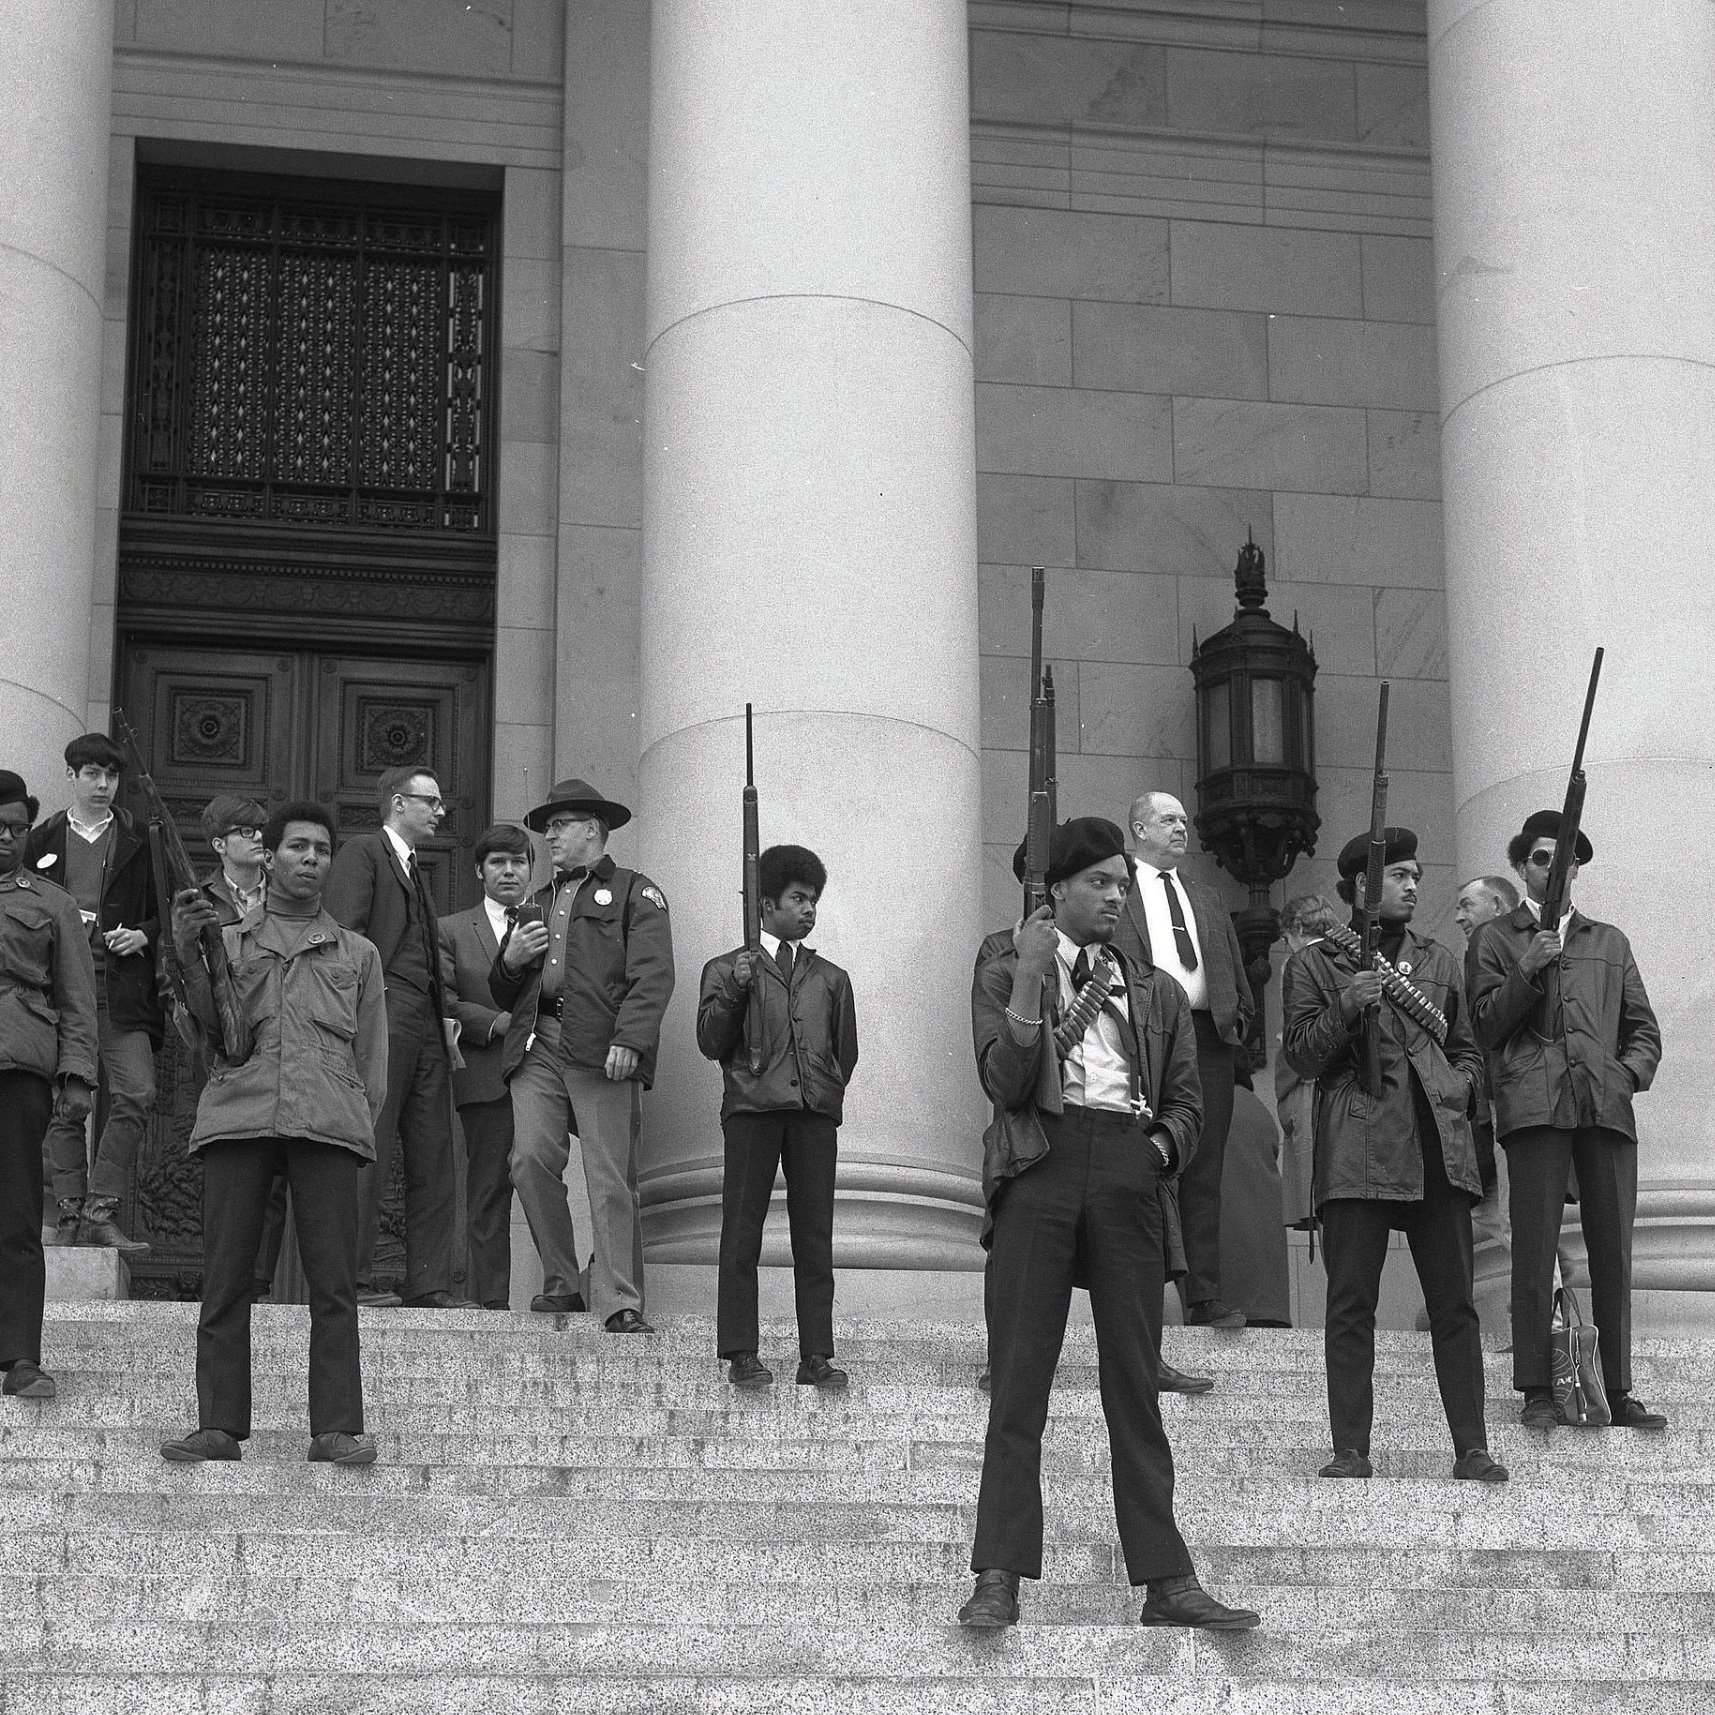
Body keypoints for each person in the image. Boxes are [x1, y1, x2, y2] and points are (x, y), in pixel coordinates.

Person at [958, 815, 1257, 1633]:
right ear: (1056, 890)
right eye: (1099, 883)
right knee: (1018, 1382)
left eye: (1122, 885)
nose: (1114, 897)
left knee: (1136, 1383)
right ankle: (998, 1575)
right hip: (1038, 1163)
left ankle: (1167, 1581)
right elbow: (1005, 1080)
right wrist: (1026, 977)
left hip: (1127, 1164)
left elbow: (1190, 1101)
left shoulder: (1153, 986)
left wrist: (1158, 1148)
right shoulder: (1000, 964)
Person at [160, 802, 388, 1466]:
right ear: (270, 856)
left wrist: (355, 1124)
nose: (310, 857)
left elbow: (374, 1061)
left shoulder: (359, 953)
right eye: (296, 846)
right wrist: (183, 951)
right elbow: (201, 1036)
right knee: (227, 1277)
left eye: (321, 847)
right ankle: (219, 1425)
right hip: (240, 1114)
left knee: (334, 1285)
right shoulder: (225, 942)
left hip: (327, 1122)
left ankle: (337, 1427)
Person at [1281, 827, 1506, 1484]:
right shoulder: (1318, 963)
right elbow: (1300, 1056)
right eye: (1399, 874)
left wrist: (1462, 1085)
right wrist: (1346, 1008)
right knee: (1351, 1300)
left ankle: (1471, 1446)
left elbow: (1467, 1049)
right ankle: (1350, 1446)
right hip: (1357, 1141)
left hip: (1436, 1139)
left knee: (1453, 1304)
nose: (1413, 885)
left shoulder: (1438, 961)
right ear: (1358, 886)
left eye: (1415, 874)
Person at [1466, 810, 1665, 1431]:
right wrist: (1528, 967)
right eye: (1541, 858)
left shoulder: (1610, 940)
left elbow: (1644, 1031)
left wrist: (1623, 1075)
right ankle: (1536, 1391)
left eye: (1565, 858)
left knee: (1614, 1252)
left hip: (1604, 1109)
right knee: (1532, 1249)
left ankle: (1619, 1388)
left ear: (1576, 868)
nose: (1555, 868)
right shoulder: (1495, 939)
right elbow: (1486, 1026)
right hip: (1534, 1109)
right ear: (1522, 867)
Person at [491, 779, 674, 1334]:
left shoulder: (636, 893)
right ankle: (562, 1283)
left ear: (593, 830)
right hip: (537, 1044)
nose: (548, 834)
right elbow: (504, 991)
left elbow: (653, 977)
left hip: (601, 1046)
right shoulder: (537, 900)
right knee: (528, 1160)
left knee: (609, 1172)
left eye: (560, 824)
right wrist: (510, 963)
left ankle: (619, 1297)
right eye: (548, 826)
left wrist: (632, 1040)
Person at [697, 844, 858, 1390]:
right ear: (766, 904)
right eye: (798, 898)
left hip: (812, 1115)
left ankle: (816, 1354)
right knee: (741, 1232)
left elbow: (845, 1051)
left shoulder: (831, 978)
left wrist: (825, 1090)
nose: (809, 908)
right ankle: (741, 1350)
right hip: (751, 1110)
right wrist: (738, 988)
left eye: (813, 899)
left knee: (815, 1236)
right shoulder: (725, 968)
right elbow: (711, 1041)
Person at [323, 765, 470, 1309]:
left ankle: (429, 1284)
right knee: (372, 1144)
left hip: (428, 1022)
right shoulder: (364, 853)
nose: (439, 812)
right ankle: (354, 1281)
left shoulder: (415, 868)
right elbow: (344, 935)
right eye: (430, 801)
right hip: (382, 1011)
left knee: (435, 1153)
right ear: (397, 803)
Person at [1113, 791, 1252, 1328]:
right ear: (1139, 829)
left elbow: (1233, 967)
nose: (1181, 828)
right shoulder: (1120, 888)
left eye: (1184, 821)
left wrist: (1237, 1023)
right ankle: (1142, 1293)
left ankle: (1204, 1296)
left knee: (1205, 1166)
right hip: (1143, 1033)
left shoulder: (1207, 895)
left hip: (1207, 1036)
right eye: (1168, 820)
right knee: (1144, 1158)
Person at [27, 732, 162, 1255]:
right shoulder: (41, 840)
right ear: (71, 776)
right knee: (65, 1103)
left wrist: (143, 933)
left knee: (137, 1092)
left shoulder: (139, 838)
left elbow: (167, 906)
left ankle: (100, 1208)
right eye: (92, 775)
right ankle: (67, 1212)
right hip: (58, 991)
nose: (103, 785)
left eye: (110, 776)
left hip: (119, 987)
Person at [0, 772, 98, 1401]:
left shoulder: (52, 902)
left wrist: (79, 1076)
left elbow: (78, 999)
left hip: (20, 1068)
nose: (5, 838)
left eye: (15, 828)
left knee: (14, 1212)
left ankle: (20, 1358)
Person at [438, 823, 535, 1311]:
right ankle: (491, 1305)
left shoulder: (550, 925)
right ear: (480, 870)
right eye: (498, 862)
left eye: (518, 862)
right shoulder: (451, 929)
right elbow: (444, 1000)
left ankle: (563, 1291)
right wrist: (500, 1023)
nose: (509, 871)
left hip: (549, 1075)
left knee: (548, 1189)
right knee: (489, 1195)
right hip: (487, 1077)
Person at [1273, 892, 1338, 1235]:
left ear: (1297, 927)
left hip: (1308, 1083)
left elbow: (1293, 1036)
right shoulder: (1347, 956)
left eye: (1286, 938)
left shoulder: (1298, 963)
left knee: (1319, 1196)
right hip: (1342, 1085)